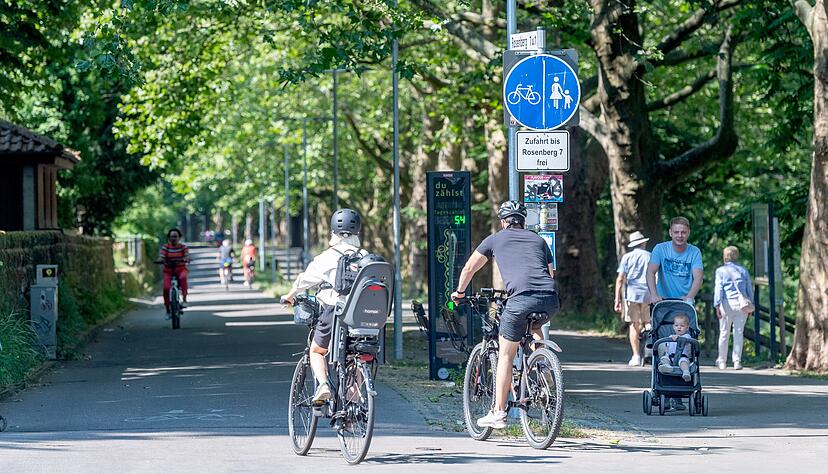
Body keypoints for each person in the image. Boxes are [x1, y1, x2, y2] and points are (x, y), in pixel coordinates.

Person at [451, 200, 560, 429]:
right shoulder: (539, 240)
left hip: (519, 299)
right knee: (534, 328)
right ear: (523, 221)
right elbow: (550, 273)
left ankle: (498, 412)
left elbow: (470, 267)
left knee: (505, 356)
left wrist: (459, 293)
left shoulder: (495, 239)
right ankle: (544, 367)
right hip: (550, 298)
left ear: (503, 222)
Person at [281, 209, 366, 405]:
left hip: (333, 311)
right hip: (360, 314)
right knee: (358, 355)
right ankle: (353, 400)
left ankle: (324, 386)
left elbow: (304, 281)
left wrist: (289, 297)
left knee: (317, 350)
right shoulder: (366, 256)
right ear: (358, 233)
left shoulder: (325, 258)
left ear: (333, 233)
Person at [614, 230, 652, 366]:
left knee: (633, 325)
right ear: (643, 243)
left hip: (631, 295)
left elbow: (620, 279)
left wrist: (617, 299)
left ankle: (636, 356)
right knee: (648, 323)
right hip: (648, 295)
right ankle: (649, 352)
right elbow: (656, 276)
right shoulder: (650, 256)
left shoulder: (627, 258)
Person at [714, 246, 754, 370]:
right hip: (741, 305)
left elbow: (718, 289)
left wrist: (717, 305)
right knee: (739, 333)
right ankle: (737, 361)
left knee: (724, 332)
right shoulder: (743, 271)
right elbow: (749, 290)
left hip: (727, 304)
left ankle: (722, 361)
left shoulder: (720, 271)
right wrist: (751, 305)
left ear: (725, 256)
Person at [646, 216, 703, 304]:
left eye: (683, 232)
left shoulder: (695, 252)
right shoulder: (660, 249)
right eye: (676, 232)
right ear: (670, 233)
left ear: (688, 233)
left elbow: (698, 277)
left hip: (684, 301)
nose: (680, 235)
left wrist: (690, 296)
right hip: (662, 301)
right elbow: (650, 272)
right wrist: (654, 295)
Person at [156, 228, 190, 315]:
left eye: (175, 236)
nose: (173, 238)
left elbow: (187, 255)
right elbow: (162, 256)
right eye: (171, 237)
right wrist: (160, 260)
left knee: (183, 278)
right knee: (166, 288)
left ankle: (185, 299)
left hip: (181, 269)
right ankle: (167, 308)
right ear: (169, 238)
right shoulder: (166, 247)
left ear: (179, 237)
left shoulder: (183, 247)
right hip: (168, 271)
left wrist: (187, 258)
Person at [657, 313, 693, 382]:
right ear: (673, 327)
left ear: (687, 327)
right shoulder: (670, 337)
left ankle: (686, 372)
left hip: (682, 356)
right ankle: (667, 366)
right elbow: (667, 347)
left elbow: (687, 342)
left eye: (682, 326)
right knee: (664, 358)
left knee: (684, 362)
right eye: (676, 325)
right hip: (670, 357)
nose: (679, 327)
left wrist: (678, 338)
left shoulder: (687, 336)